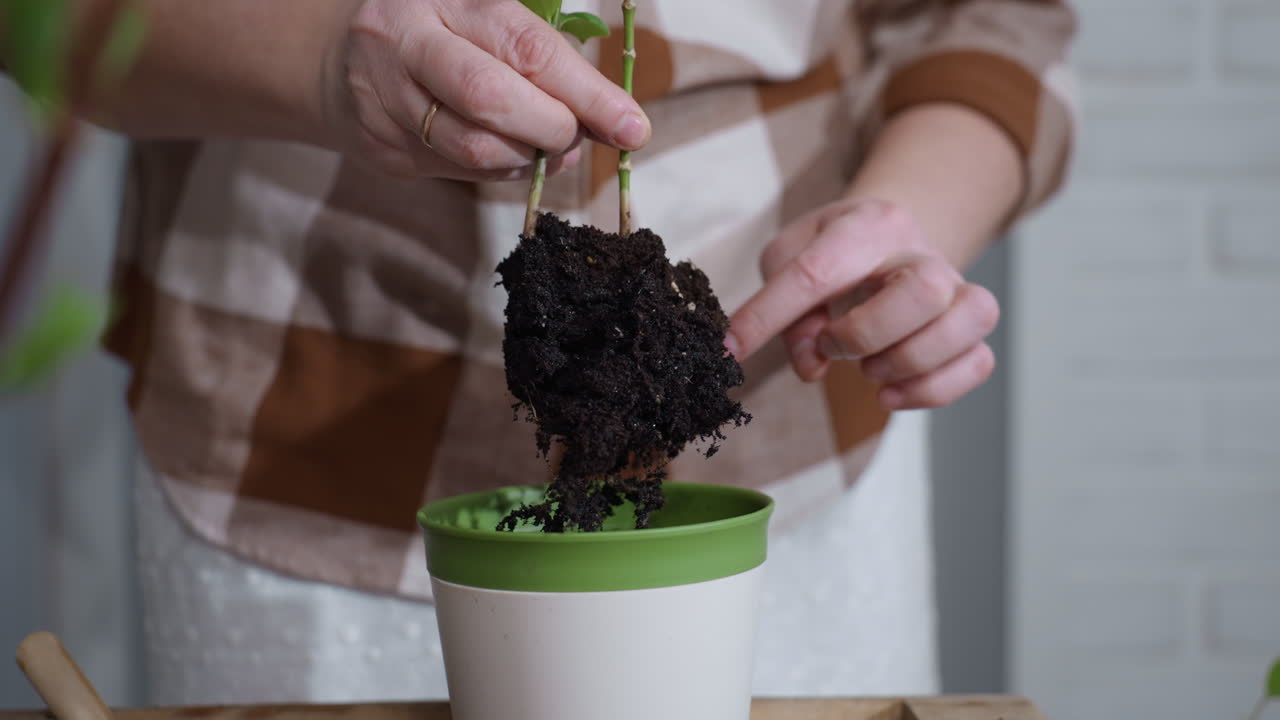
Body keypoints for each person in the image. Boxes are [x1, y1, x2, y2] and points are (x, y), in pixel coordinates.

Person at [3, 0, 1076, 704]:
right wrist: (321, 62)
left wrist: (906, 220)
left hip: (777, 477)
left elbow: (983, 16)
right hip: (296, 435)